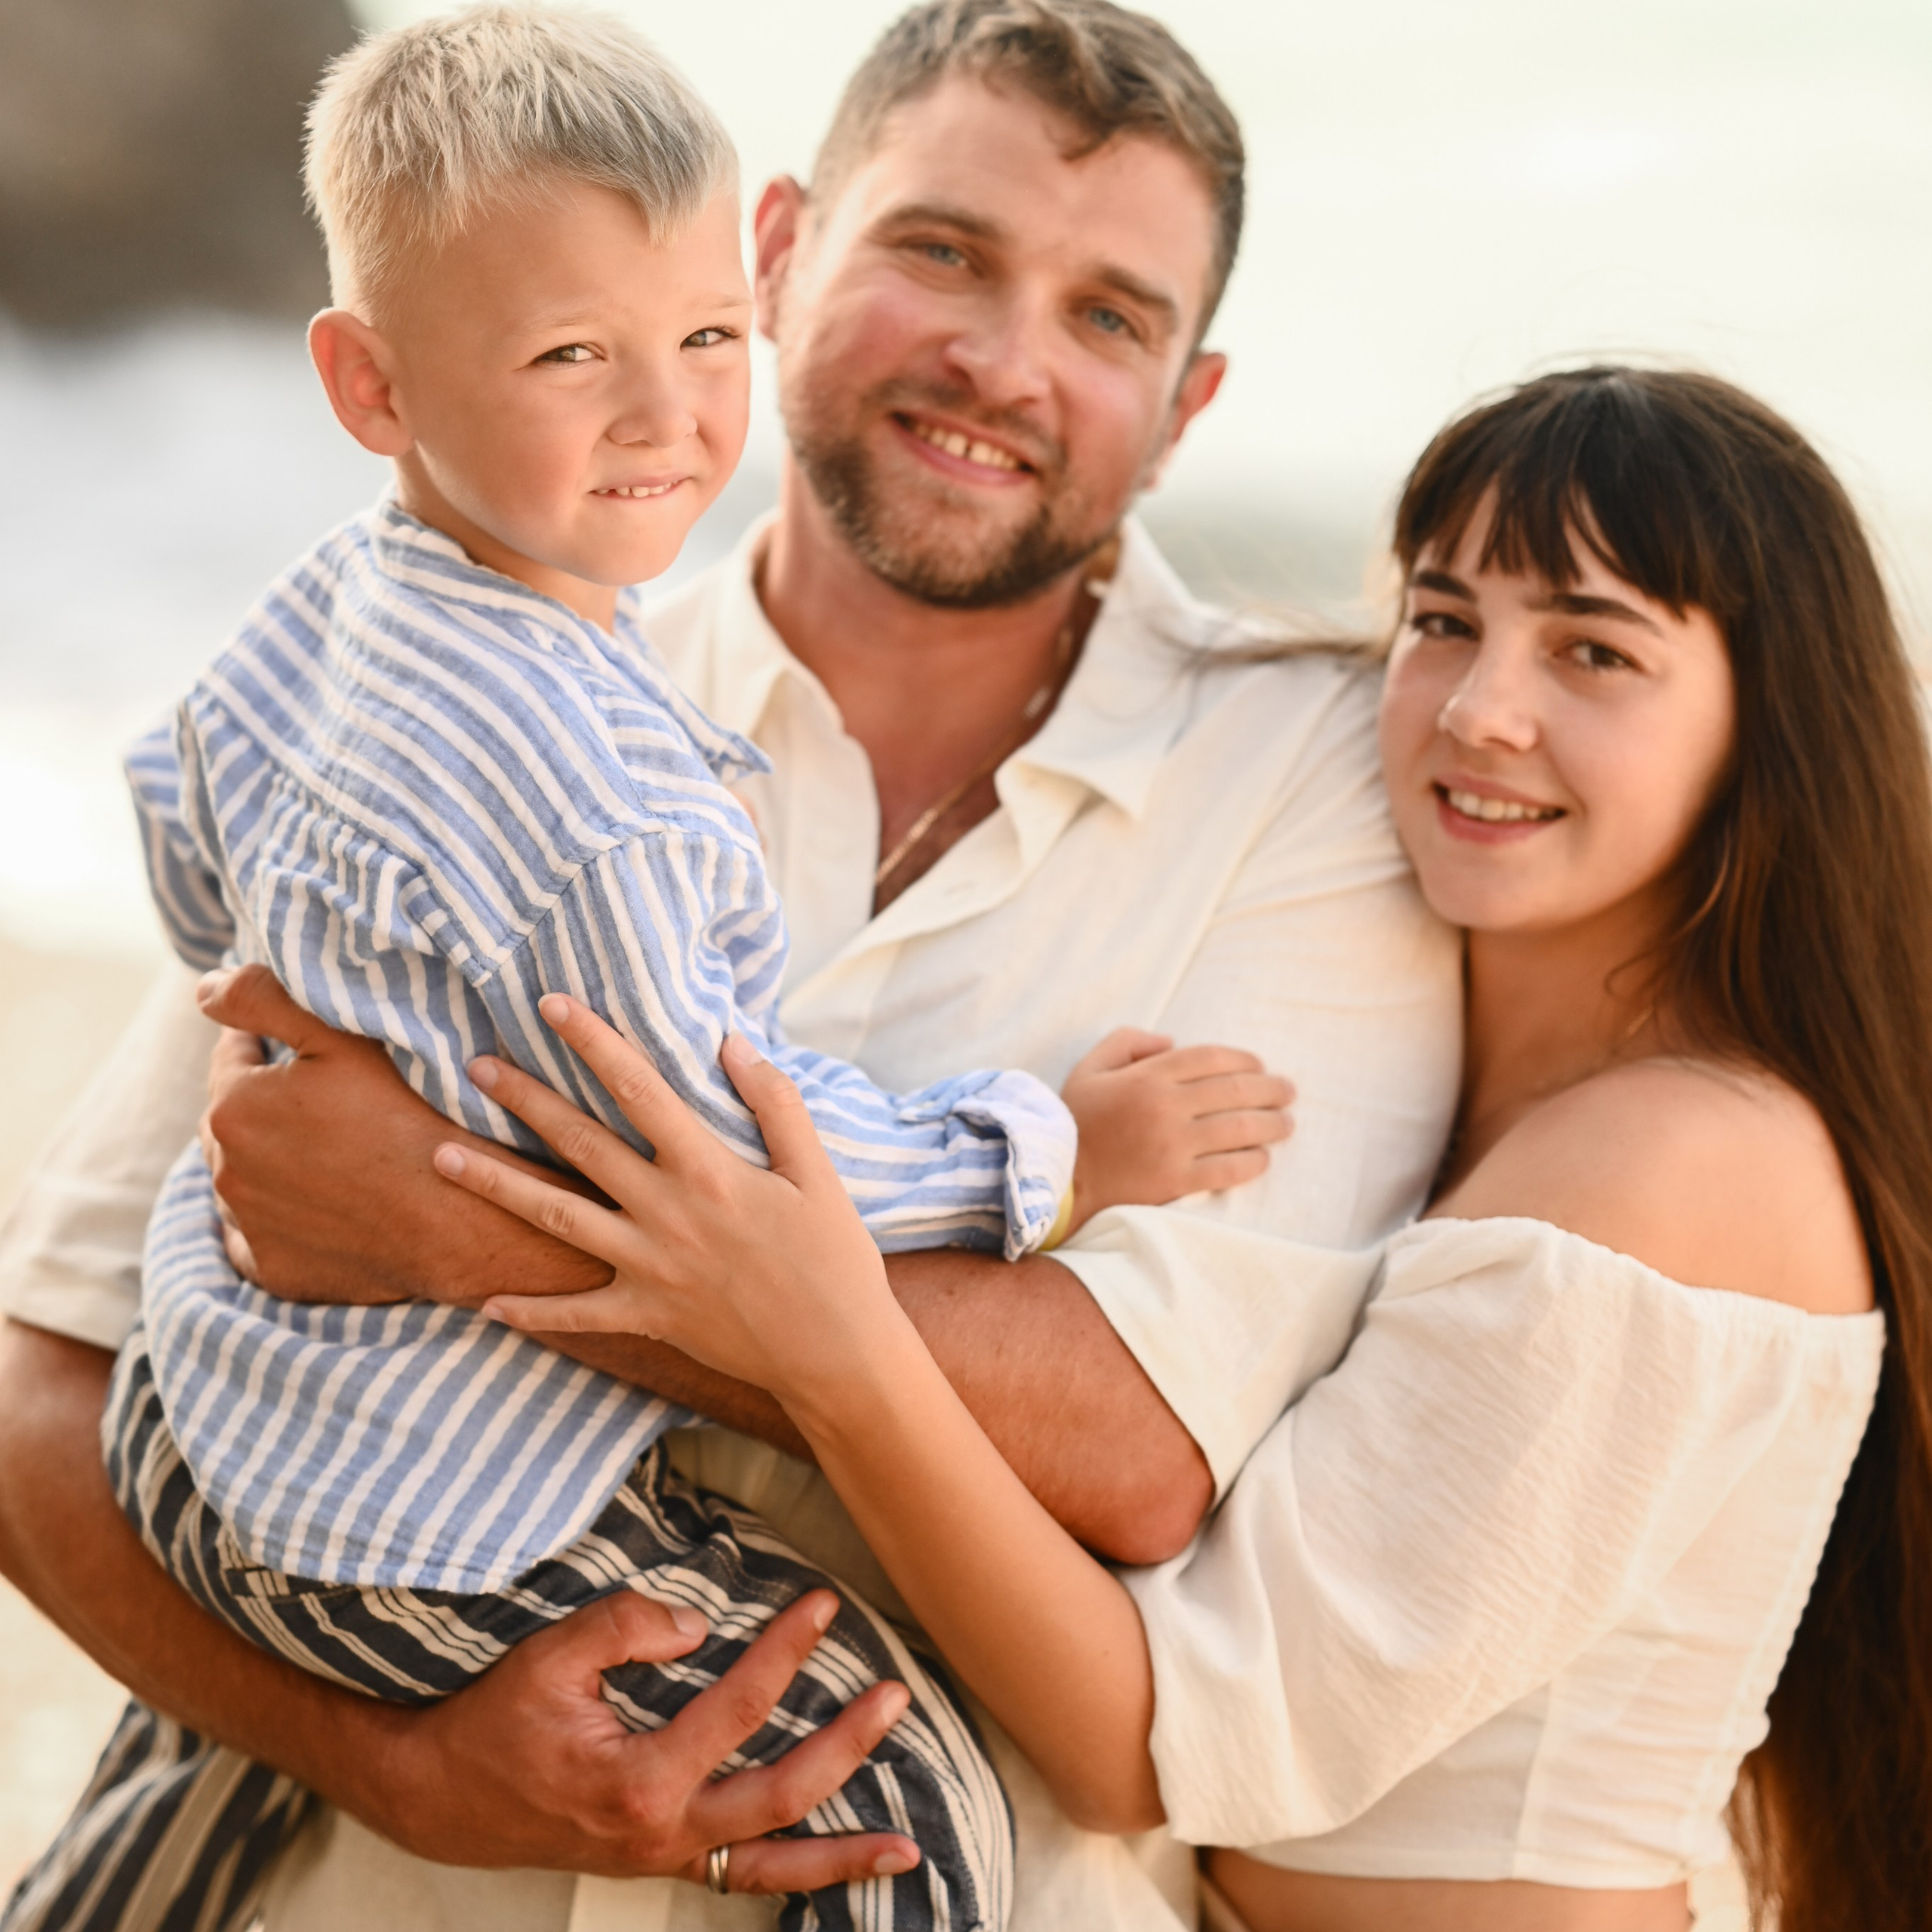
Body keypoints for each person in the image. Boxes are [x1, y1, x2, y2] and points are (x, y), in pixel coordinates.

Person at [0, 3, 1460, 1928]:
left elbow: (1127, 1445)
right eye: (939, 249)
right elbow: (44, 1388)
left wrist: (456, 1224)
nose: (999, 358)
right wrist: (400, 1768)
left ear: (1186, 404)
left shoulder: (1322, 790)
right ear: (775, 254)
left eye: (1108, 316)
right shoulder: (512, 680)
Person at [430, 366, 1932, 1932]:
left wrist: (824, 1338)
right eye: (1439, 618)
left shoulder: (1675, 1160)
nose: (1483, 707)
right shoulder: (1481, 1079)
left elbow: (1155, 1741)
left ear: (1763, 724)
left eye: (1592, 650)